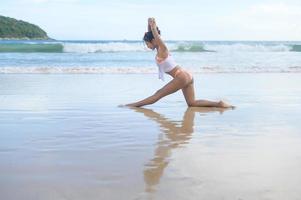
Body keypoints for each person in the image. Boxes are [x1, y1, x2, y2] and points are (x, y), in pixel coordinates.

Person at [125, 18, 234, 108]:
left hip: (181, 76)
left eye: (147, 43)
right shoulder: (159, 49)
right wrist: (149, 26)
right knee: (192, 103)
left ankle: (134, 105)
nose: (147, 46)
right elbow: (153, 36)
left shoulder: (162, 48)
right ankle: (219, 104)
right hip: (186, 76)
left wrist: (153, 27)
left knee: (158, 94)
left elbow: (156, 37)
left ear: (153, 41)